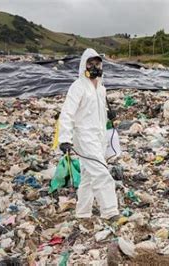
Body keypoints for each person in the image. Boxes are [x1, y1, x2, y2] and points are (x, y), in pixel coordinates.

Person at [58, 48, 119, 221]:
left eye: (97, 63)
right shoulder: (78, 87)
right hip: (84, 137)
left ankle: (82, 212)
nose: (94, 67)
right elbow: (67, 113)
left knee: (88, 176)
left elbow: (94, 111)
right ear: (84, 65)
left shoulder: (101, 88)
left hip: (99, 136)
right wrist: (64, 138)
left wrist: (108, 115)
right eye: (90, 64)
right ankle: (111, 212)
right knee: (101, 173)